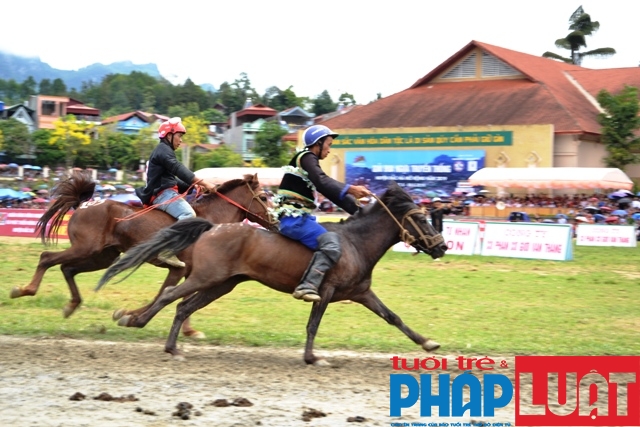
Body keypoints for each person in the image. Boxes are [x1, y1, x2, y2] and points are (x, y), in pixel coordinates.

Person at [274, 124, 370, 303]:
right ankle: (307, 285)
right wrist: (351, 189)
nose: (329, 149)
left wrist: (360, 213)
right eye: (328, 144)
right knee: (332, 245)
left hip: (298, 219)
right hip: (294, 221)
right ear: (317, 144)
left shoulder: (307, 162)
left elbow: (332, 192)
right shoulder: (307, 157)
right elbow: (322, 181)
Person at [136, 117, 217, 267]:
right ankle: (167, 250)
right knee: (188, 215)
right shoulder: (163, 151)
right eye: (179, 136)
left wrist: (194, 186)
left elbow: (171, 180)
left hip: (163, 191)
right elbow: (179, 169)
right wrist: (203, 182)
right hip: (162, 195)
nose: (180, 140)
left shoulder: (164, 150)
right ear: (169, 136)